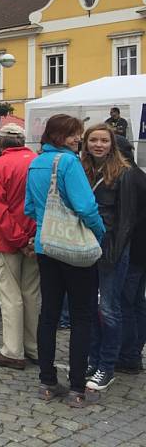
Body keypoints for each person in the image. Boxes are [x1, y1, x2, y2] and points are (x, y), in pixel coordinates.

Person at [25, 114, 105, 408]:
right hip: (74, 249)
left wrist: (48, 222)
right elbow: (86, 206)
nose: (78, 140)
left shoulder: (35, 163)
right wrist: (99, 232)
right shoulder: (68, 162)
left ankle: (47, 382)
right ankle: (76, 389)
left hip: (47, 247)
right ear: (59, 135)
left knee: (49, 314)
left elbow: (29, 207)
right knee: (82, 317)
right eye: (74, 134)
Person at [82, 123, 138, 392]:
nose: (99, 145)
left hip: (112, 248)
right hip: (85, 246)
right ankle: (93, 361)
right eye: (94, 140)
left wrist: (113, 254)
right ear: (86, 143)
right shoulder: (83, 169)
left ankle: (107, 365)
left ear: (112, 144)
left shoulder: (123, 173)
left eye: (104, 140)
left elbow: (127, 219)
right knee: (91, 307)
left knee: (109, 310)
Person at [0, 124, 39, 370]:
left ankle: (13, 351)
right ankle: (34, 347)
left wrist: (17, 238)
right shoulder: (37, 161)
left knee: (10, 294)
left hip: (7, 240)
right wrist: (30, 237)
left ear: (2, 143)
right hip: (33, 239)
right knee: (32, 294)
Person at [116, 136, 146, 374]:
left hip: (132, 250)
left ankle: (128, 354)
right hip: (141, 250)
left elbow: (127, 220)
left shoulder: (126, 178)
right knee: (137, 303)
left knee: (126, 303)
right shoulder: (141, 176)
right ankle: (134, 352)